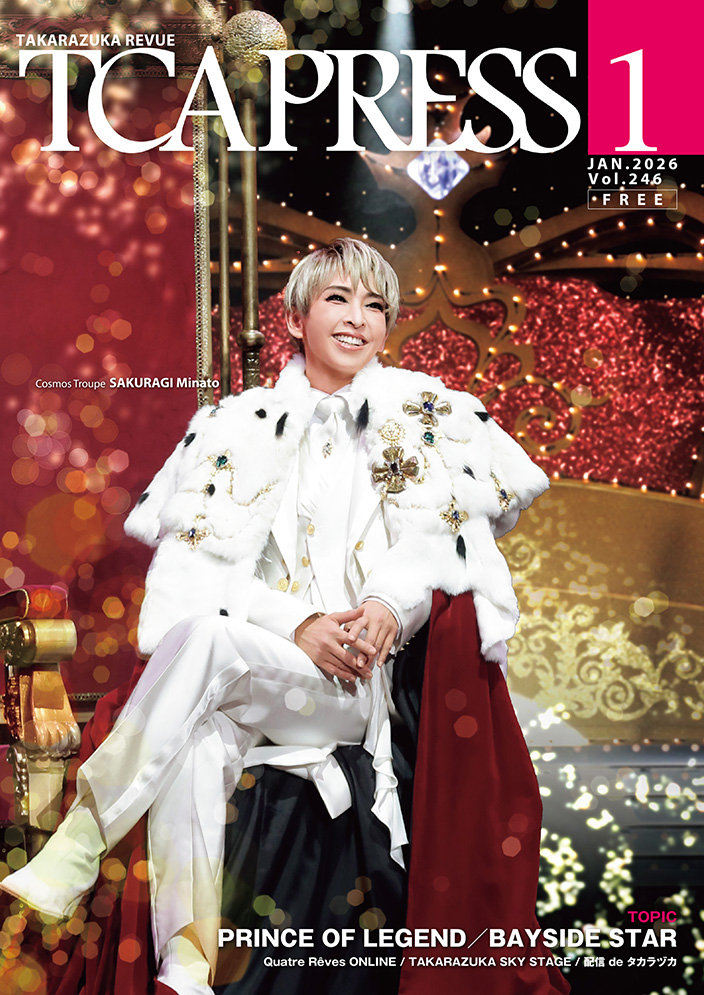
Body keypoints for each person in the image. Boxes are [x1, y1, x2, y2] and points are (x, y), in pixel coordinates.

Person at [1, 238, 550, 995]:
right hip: (250, 669)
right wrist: (295, 622)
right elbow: (198, 577)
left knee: (208, 647)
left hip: (350, 687)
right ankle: (186, 969)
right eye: (338, 299)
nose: (358, 319)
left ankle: (80, 841)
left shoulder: (425, 420)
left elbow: (439, 550)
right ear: (294, 318)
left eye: (375, 306)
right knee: (196, 736)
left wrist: (387, 606)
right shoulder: (234, 427)